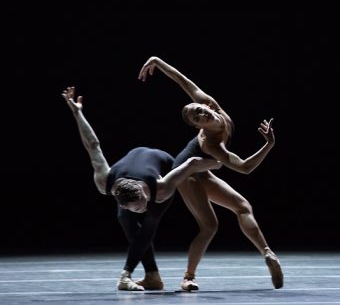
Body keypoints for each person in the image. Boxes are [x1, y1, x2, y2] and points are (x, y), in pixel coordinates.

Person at [138, 56, 284, 291]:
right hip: (186, 174)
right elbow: (245, 167)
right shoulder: (211, 144)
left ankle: (268, 253)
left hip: (202, 171)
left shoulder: (210, 104)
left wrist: (157, 60)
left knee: (243, 206)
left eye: (200, 110)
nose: (203, 114)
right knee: (209, 226)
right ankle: (188, 277)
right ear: (199, 127)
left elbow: (182, 80)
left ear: (204, 106)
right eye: (198, 118)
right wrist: (269, 145)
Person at [61, 86, 222, 291]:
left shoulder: (161, 188)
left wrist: (217, 162)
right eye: (137, 207)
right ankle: (152, 276)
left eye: (143, 203)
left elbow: (190, 164)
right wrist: (77, 112)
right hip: (131, 176)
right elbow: (92, 145)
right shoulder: (105, 182)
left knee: (150, 222)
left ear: (143, 192)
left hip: (162, 163)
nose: (143, 208)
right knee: (124, 219)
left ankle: (126, 275)